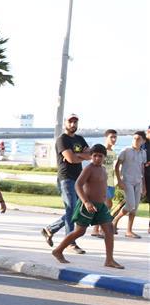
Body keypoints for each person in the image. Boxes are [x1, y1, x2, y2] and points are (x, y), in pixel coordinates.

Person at [52, 144, 123, 268]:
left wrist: (106, 201)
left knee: (109, 230)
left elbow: (102, 187)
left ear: (104, 157)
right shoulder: (88, 169)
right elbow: (78, 185)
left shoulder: (103, 170)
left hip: (101, 206)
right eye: (94, 156)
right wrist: (86, 202)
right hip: (87, 205)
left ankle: (109, 260)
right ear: (91, 156)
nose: (97, 158)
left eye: (100, 156)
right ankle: (58, 250)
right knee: (80, 231)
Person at [41, 113, 90, 254]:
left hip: (78, 179)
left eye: (75, 122)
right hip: (66, 179)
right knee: (71, 209)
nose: (73, 124)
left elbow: (90, 155)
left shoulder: (80, 139)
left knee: (75, 210)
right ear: (65, 123)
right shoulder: (62, 140)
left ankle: (50, 229)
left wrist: (78, 155)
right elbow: (70, 159)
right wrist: (81, 155)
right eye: (70, 122)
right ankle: (70, 242)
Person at [112, 131, 147, 238]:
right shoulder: (125, 150)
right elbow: (117, 166)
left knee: (135, 207)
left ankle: (129, 231)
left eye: (138, 139)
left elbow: (142, 169)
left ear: (143, 141)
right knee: (130, 204)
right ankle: (114, 221)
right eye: (134, 138)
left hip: (138, 182)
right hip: (127, 181)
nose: (135, 140)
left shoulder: (143, 153)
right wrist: (119, 180)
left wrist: (144, 186)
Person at [93, 129, 118, 237]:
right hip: (102, 182)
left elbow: (114, 168)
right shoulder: (100, 151)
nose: (114, 139)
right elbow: (93, 164)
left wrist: (118, 181)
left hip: (111, 182)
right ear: (106, 137)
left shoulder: (113, 152)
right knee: (106, 204)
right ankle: (102, 229)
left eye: (115, 137)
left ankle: (96, 229)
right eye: (111, 137)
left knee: (106, 206)